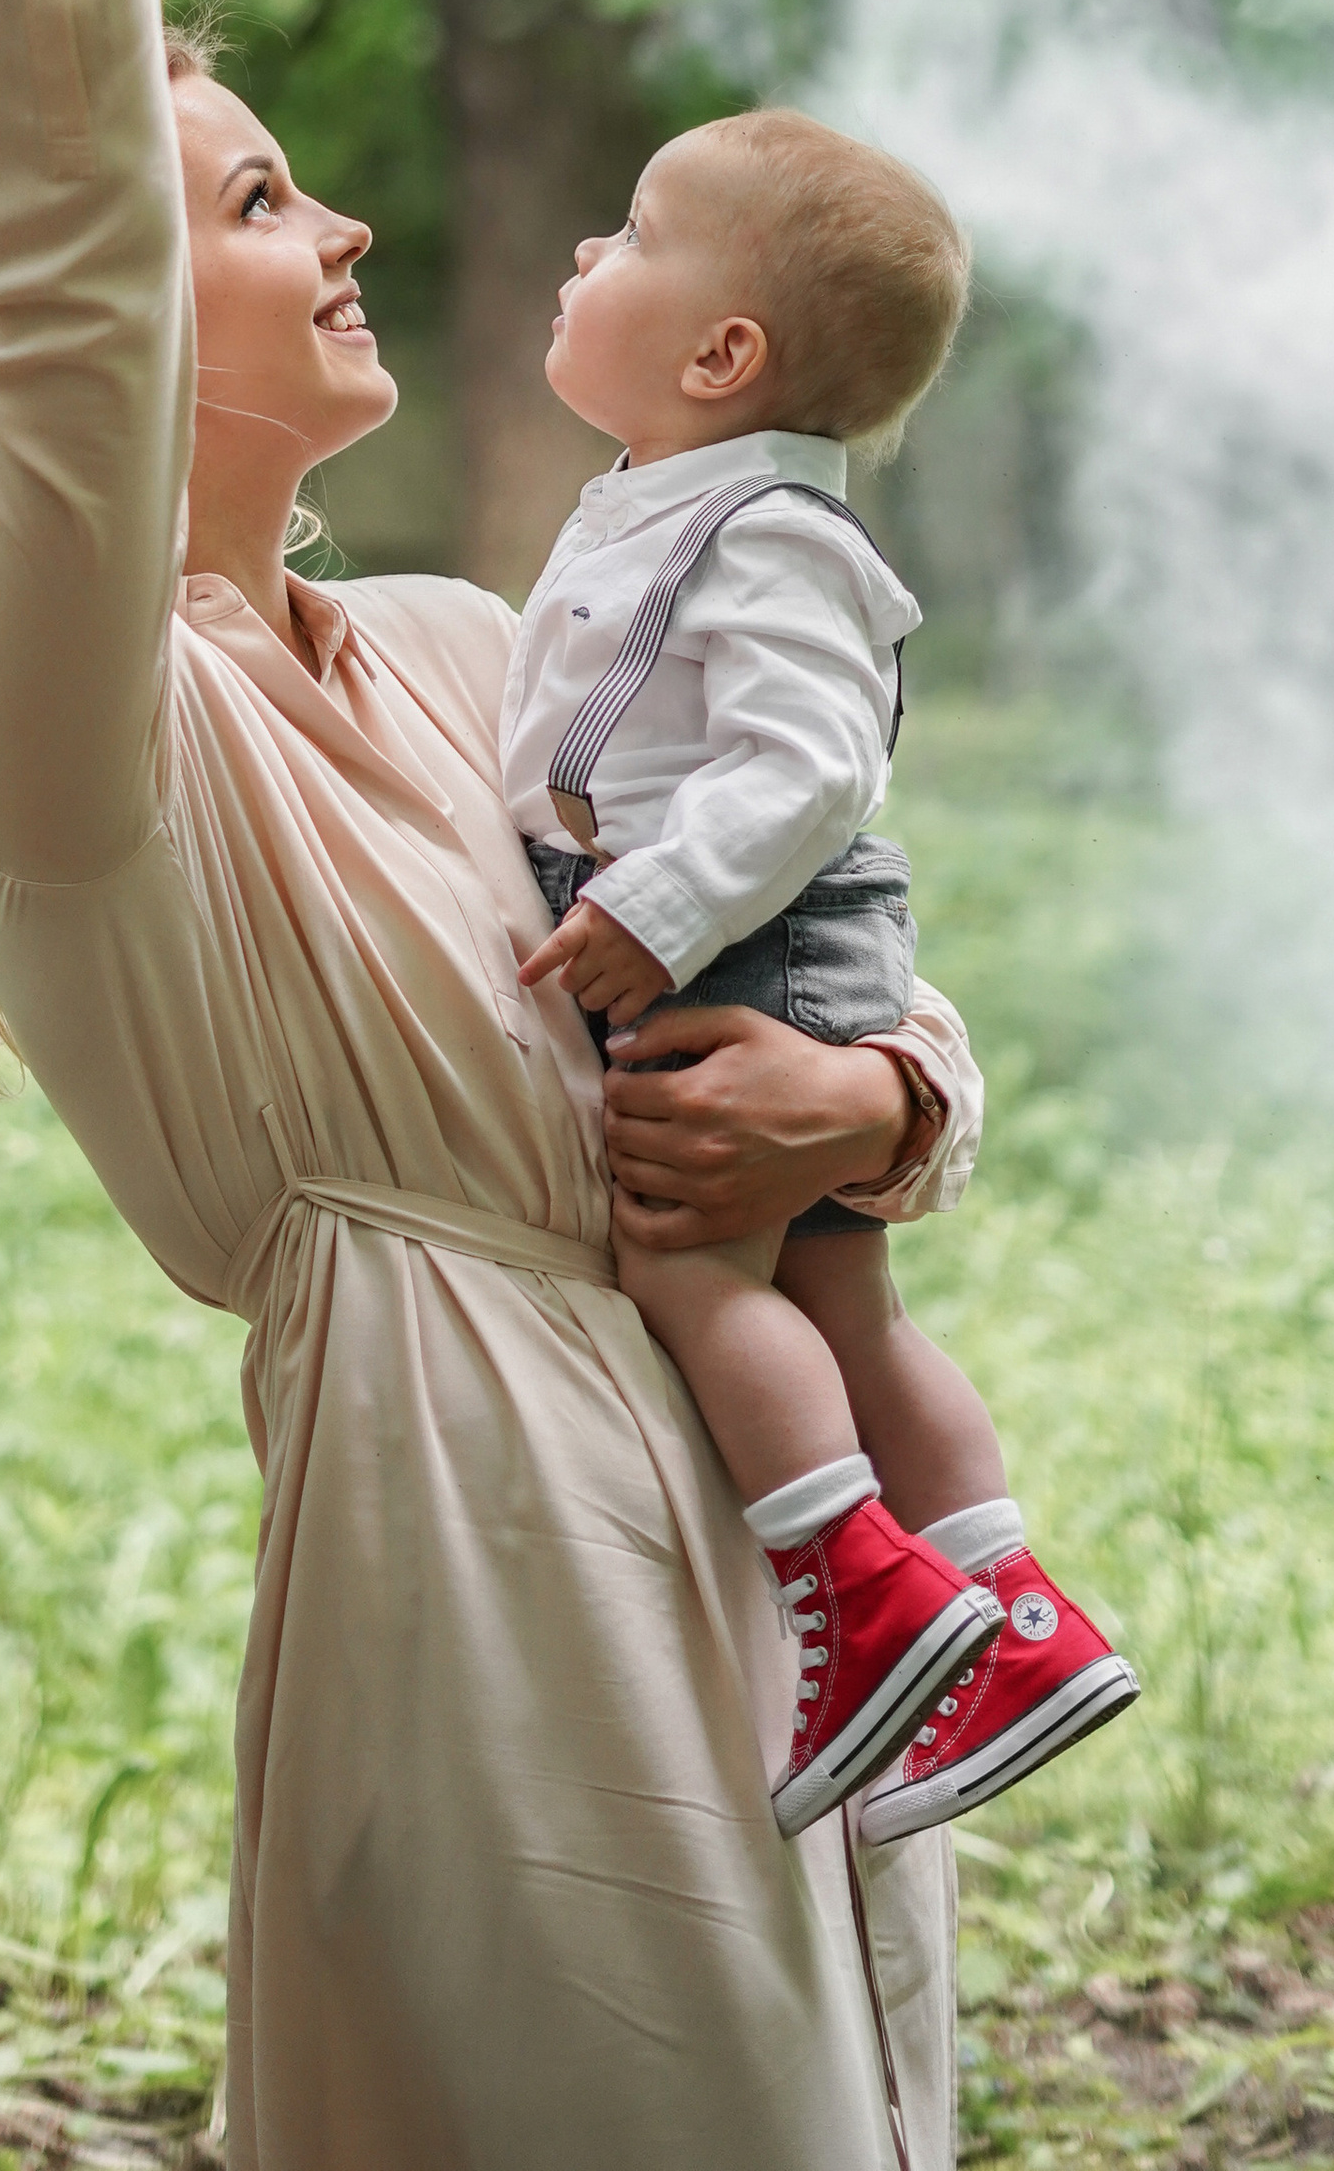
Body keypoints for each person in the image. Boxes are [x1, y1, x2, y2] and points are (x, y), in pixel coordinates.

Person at [0, 0, 989, 2171]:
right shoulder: (41, 738)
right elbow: (79, 294)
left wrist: (881, 1097)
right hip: (478, 1553)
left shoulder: (492, 646)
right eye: (248, 202)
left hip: (764, 1505)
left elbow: (842, 921)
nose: (334, 223)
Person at [506, 115, 1138, 1842]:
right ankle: (1012, 1619)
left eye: (627, 235)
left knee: (693, 1264)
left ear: (723, 354)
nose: (583, 256)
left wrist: (661, 901)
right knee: (849, 1309)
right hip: (767, 924)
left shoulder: (763, 527)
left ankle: (858, 1595)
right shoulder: (681, 502)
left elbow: (812, 766)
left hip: (743, 930)